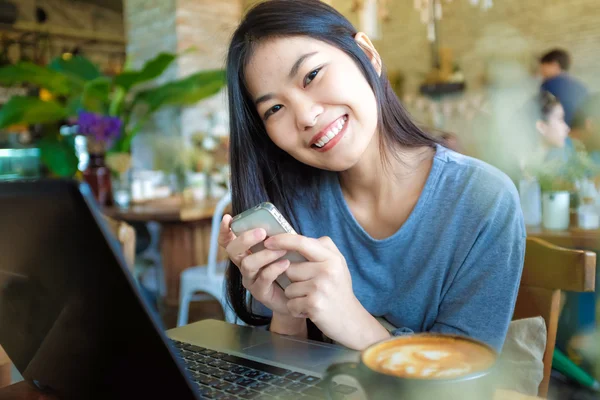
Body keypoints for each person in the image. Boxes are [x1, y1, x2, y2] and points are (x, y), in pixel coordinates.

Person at [218, 0, 525, 352]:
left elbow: (464, 381)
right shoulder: (289, 207)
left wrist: (354, 321)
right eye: (274, 108)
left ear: (367, 54)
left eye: (312, 75)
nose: (305, 116)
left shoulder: (483, 199)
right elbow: (287, 381)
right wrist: (287, 312)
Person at [539, 49, 589, 128]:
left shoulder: (549, 85)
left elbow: (543, 113)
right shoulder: (581, 86)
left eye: (543, 66)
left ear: (554, 65)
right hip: (581, 132)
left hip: (559, 132)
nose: (541, 71)